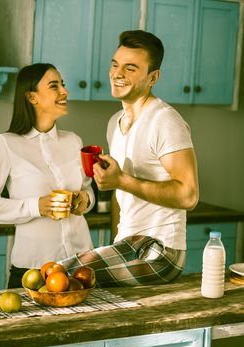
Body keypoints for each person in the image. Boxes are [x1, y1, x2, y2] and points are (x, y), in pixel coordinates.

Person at [59, 30, 199, 287]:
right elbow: (119, 196)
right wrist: (115, 243)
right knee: (56, 274)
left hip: (162, 250)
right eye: (115, 64)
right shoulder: (115, 123)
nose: (117, 74)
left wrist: (121, 180)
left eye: (131, 68)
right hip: (129, 243)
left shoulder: (165, 120)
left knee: (62, 276)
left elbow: (188, 195)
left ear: (153, 77)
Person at [0, 63, 95, 288]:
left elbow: (87, 189)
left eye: (63, 84)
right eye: (54, 86)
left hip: (80, 268)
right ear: (32, 97)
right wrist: (37, 207)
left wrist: (86, 200)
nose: (64, 91)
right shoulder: (7, 144)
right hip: (33, 272)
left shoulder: (73, 141)